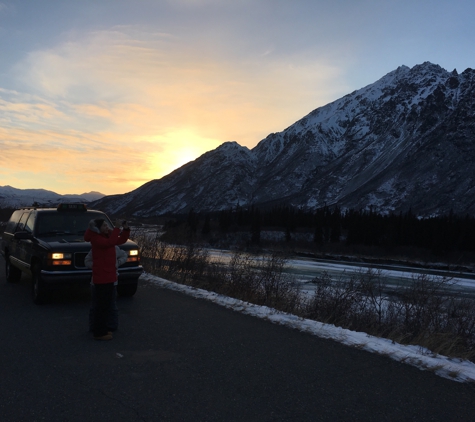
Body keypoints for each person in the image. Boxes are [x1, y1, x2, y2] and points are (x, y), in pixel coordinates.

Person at [84, 218, 130, 340]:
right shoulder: (96, 239)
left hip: (109, 276)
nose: (106, 227)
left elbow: (120, 240)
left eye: (106, 225)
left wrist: (125, 229)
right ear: (97, 228)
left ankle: (104, 330)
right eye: (104, 226)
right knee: (101, 306)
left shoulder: (106, 237)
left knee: (105, 305)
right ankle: (99, 332)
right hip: (102, 277)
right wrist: (116, 228)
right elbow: (110, 243)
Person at [85, 245, 127, 333]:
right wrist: (96, 266)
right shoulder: (95, 249)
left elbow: (124, 255)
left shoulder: (114, 248)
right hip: (96, 281)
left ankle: (112, 326)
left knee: (111, 304)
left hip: (112, 281)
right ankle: (94, 326)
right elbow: (87, 261)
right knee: (95, 304)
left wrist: (117, 263)